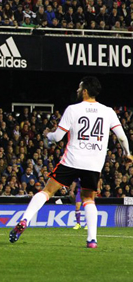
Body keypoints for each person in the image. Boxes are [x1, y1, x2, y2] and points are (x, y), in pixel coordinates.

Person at [9, 76, 133, 248]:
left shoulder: (73, 110)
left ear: (85, 91)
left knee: (47, 191)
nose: (77, 90)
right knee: (89, 199)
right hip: (93, 164)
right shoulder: (108, 111)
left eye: (79, 87)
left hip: (72, 160)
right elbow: (121, 137)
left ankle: (24, 220)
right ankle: (92, 240)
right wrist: (128, 153)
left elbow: (58, 137)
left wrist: (47, 135)